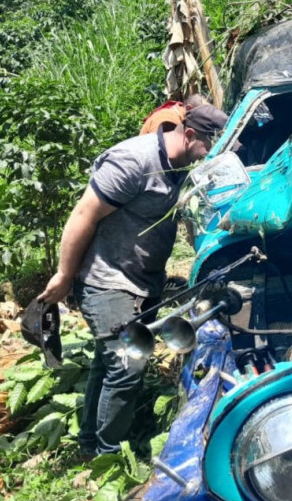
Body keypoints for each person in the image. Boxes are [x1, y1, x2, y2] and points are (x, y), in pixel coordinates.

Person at [38, 104, 229, 455]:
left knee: (107, 362)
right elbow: (83, 214)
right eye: (209, 146)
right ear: (189, 135)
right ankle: (109, 457)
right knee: (128, 362)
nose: (212, 155)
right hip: (107, 279)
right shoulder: (134, 162)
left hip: (143, 282)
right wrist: (65, 275)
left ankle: (89, 448)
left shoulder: (185, 167)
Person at [139, 93, 209, 135]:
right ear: (188, 108)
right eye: (202, 115)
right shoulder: (168, 118)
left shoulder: (179, 118)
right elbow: (158, 149)